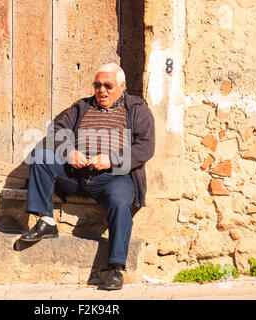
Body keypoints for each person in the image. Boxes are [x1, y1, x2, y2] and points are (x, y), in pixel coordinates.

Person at [19, 63, 155, 290]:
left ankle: (116, 268)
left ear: (122, 86)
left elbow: (146, 147)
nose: (102, 90)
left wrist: (112, 159)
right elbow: (56, 132)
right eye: (98, 85)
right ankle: (46, 221)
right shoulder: (82, 107)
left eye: (108, 86)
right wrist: (69, 152)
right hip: (78, 174)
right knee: (42, 158)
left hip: (115, 177)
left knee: (120, 200)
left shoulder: (137, 109)